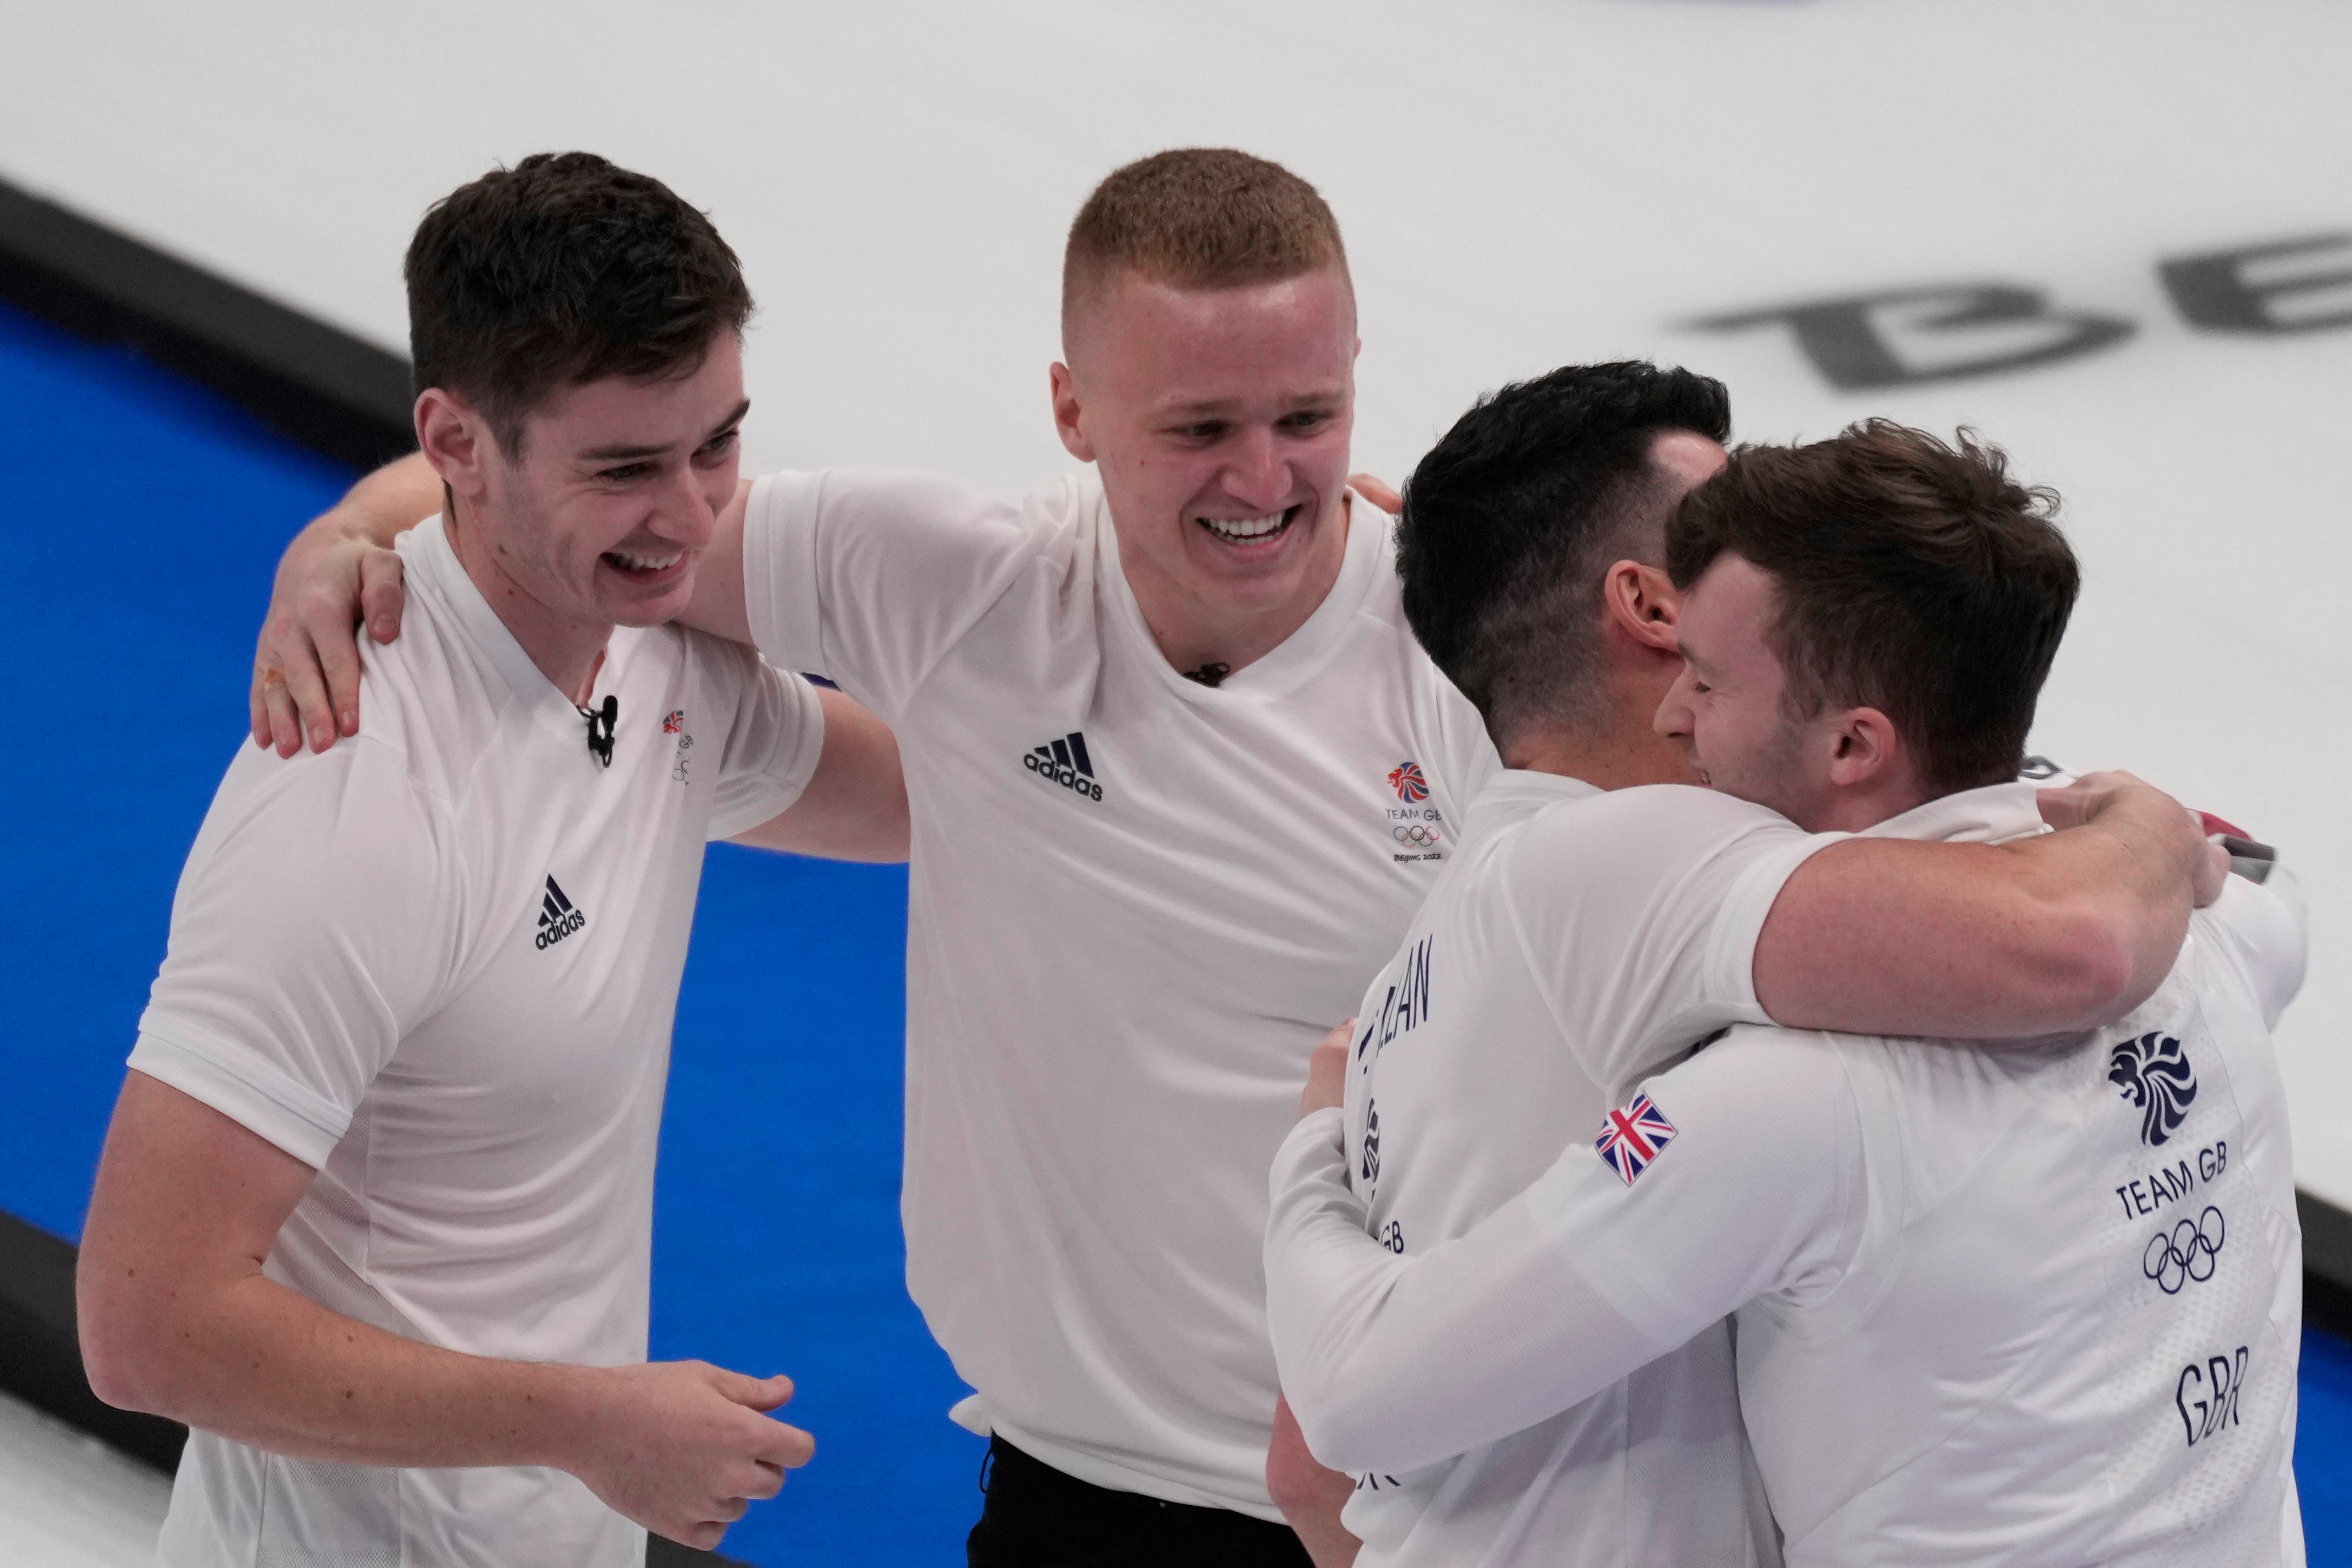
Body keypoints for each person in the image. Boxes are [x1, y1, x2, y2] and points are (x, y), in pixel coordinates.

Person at [248, 164, 2221, 1566]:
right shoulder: (944, 579)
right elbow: (572, 486)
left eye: (1307, 413)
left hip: (1405, 1513)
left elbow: (1875, 841)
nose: (1264, 476)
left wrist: (2134, 841)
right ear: (1068, 412)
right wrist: (348, 529)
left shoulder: (1491, 671)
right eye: (1197, 423)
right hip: (1056, 1488)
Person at [1264, 419, 2302, 1566]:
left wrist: (1314, 1147)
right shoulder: (2218, 932)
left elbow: (1357, 1399)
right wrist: (2150, 827)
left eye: (1704, 680)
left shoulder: (1784, 1102)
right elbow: (2256, 875)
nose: (1671, 715)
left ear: (1854, 746)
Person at [76, 153, 909, 1566]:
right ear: (462, 445)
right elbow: (145, 1325)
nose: (697, 516)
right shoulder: (351, 807)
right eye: (626, 468)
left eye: (718, 444)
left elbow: (933, 801)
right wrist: (584, 1422)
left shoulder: (654, 659)